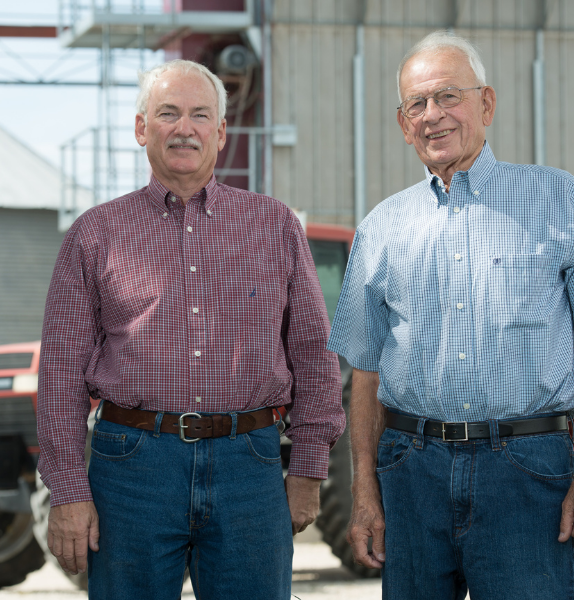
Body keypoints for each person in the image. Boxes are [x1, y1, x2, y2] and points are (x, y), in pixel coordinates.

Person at [326, 31, 574, 599]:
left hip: (527, 474)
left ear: (487, 104)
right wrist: (366, 492)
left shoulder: (558, 197)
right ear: (403, 124)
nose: (433, 115)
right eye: (417, 105)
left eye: (449, 96)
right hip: (411, 472)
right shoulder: (381, 227)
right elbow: (365, 375)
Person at [36, 59, 344, 599]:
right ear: (141, 128)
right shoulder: (94, 235)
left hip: (250, 464)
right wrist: (67, 491)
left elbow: (314, 356)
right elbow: (60, 377)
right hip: (130, 467)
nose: (185, 127)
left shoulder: (274, 227)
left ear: (221, 133)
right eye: (168, 113)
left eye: (201, 115)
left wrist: (308, 468)